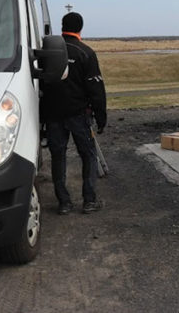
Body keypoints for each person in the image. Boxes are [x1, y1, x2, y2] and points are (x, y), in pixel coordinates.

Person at [40, 12, 107, 215]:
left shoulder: (48, 53)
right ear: (80, 28)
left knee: (58, 157)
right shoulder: (85, 52)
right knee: (88, 155)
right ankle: (89, 201)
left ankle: (64, 203)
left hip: (52, 115)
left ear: (62, 27)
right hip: (78, 114)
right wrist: (101, 117)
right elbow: (96, 89)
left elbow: (40, 83)